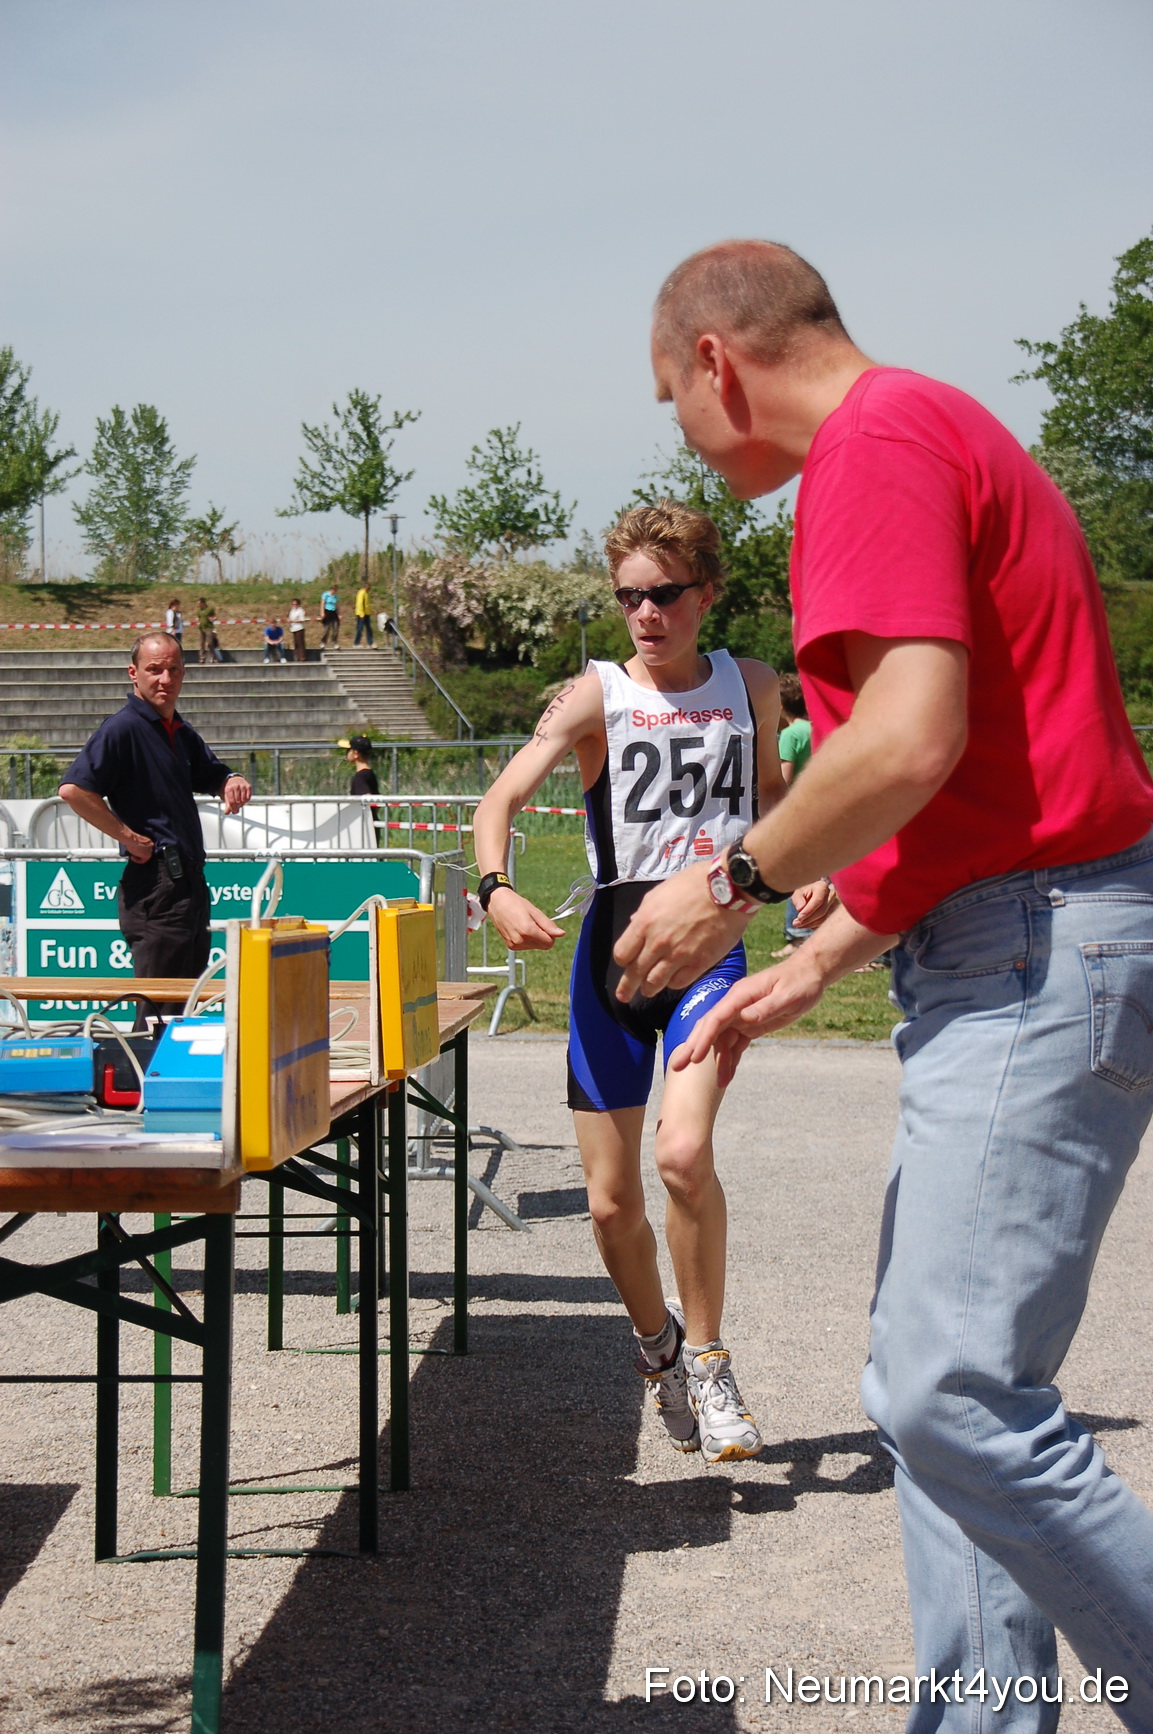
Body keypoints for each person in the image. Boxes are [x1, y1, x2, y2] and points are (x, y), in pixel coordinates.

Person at [616, 240, 1153, 1726]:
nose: (685, 436)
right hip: (1019, 927)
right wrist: (816, 961)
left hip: (1035, 941)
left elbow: (906, 741)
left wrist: (730, 886)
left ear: (718, 362)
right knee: (931, 1394)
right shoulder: (922, 428)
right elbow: (968, 791)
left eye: (673, 400)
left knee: (950, 1395)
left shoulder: (873, 444)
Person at [474, 500, 831, 1464]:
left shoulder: (751, 685)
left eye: (665, 594)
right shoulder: (592, 694)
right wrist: (496, 888)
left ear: (705, 594)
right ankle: (658, 1346)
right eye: (628, 596)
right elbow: (499, 800)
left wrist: (806, 866)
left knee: (681, 1155)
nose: (645, 614)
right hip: (611, 963)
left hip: (708, 953)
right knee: (607, 1203)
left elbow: (776, 799)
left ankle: (710, 1364)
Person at [58, 632, 252, 1025]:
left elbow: (211, 772)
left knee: (184, 1006)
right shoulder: (123, 728)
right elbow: (74, 790)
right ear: (134, 673)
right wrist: (128, 838)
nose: (165, 679)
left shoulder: (177, 729)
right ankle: (144, 1066)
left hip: (187, 882)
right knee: (158, 1011)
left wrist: (230, 780)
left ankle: (167, 1065)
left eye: (174, 670)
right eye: (155, 669)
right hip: (157, 883)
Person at [774, 673, 815, 955]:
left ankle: (798, 933)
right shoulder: (816, 728)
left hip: (798, 811)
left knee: (797, 871)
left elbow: (782, 779)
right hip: (820, 806)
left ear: (780, 705)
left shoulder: (790, 734)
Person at [196, 597, 215, 665]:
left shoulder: (209, 609)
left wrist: (213, 619)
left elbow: (214, 616)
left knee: (209, 643)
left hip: (208, 628)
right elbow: (198, 617)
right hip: (201, 628)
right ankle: (202, 658)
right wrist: (197, 619)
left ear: (203, 603)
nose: (198, 605)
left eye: (199, 603)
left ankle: (213, 657)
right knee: (201, 644)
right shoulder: (199, 610)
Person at [354, 581, 374, 647]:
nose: (369, 589)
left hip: (366, 613)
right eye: (368, 588)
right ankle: (356, 643)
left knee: (369, 628)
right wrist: (362, 614)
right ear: (366, 587)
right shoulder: (361, 593)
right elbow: (360, 604)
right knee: (360, 628)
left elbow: (366, 604)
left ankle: (370, 643)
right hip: (361, 614)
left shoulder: (366, 593)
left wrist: (370, 611)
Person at [288, 597, 308, 662]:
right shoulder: (292, 611)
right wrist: (290, 620)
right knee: (296, 643)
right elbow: (290, 618)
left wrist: (294, 621)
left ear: (298, 604)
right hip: (293, 628)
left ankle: (302, 657)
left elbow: (302, 620)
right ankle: (297, 657)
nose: (294, 605)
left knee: (300, 643)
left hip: (299, 628)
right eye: (293, 604)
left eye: (295, 604)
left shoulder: (301, 611)